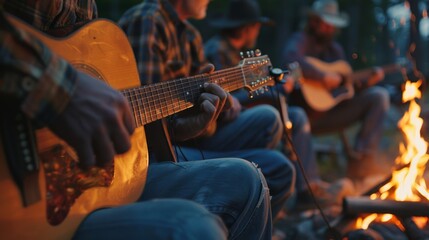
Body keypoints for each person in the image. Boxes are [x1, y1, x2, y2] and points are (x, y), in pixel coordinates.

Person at [0, 1, 273, 239]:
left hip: (88, 183)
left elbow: (119, 106)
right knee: (192, 228)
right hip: (19, 199)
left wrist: (181, 126)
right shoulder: (149, 20)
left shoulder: (88, 9)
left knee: (246, 179)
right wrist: (61, 92)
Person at [118, 0, 295, 220]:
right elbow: (147, 123)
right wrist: (196, 122)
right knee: (275, 168)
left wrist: (219, 109)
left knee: (269, 120)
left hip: (189, 138)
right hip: (157, 150)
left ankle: (235, 210)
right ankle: (223, 212)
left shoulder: (191, 34)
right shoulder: (148, 20)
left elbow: (201, 111)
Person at [204, 0, 353, 209]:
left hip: (241, 112)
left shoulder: (236, 52)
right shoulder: (217, 50)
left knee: (296, 115)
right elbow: (228, 100)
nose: (257, 32)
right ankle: (304, 191)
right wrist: (279, 89)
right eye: (256, 26)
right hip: (223, 122)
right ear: (248, 27)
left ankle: (308, 187)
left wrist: (276, 84)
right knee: (295, 116)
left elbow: (249, 90)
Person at [281, 0, 390, 181]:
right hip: (305, 117)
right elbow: (290, 61)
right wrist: (321, 76)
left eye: (332, 24)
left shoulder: (335, 50)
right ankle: (311, 187)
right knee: (299, 114)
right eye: (326, 22)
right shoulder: (300, 40)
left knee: (379, 96)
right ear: (314, 21)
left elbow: (343, 91)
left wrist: (365, 83)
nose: (330, 28)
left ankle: (361, 164)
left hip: (333, 113)